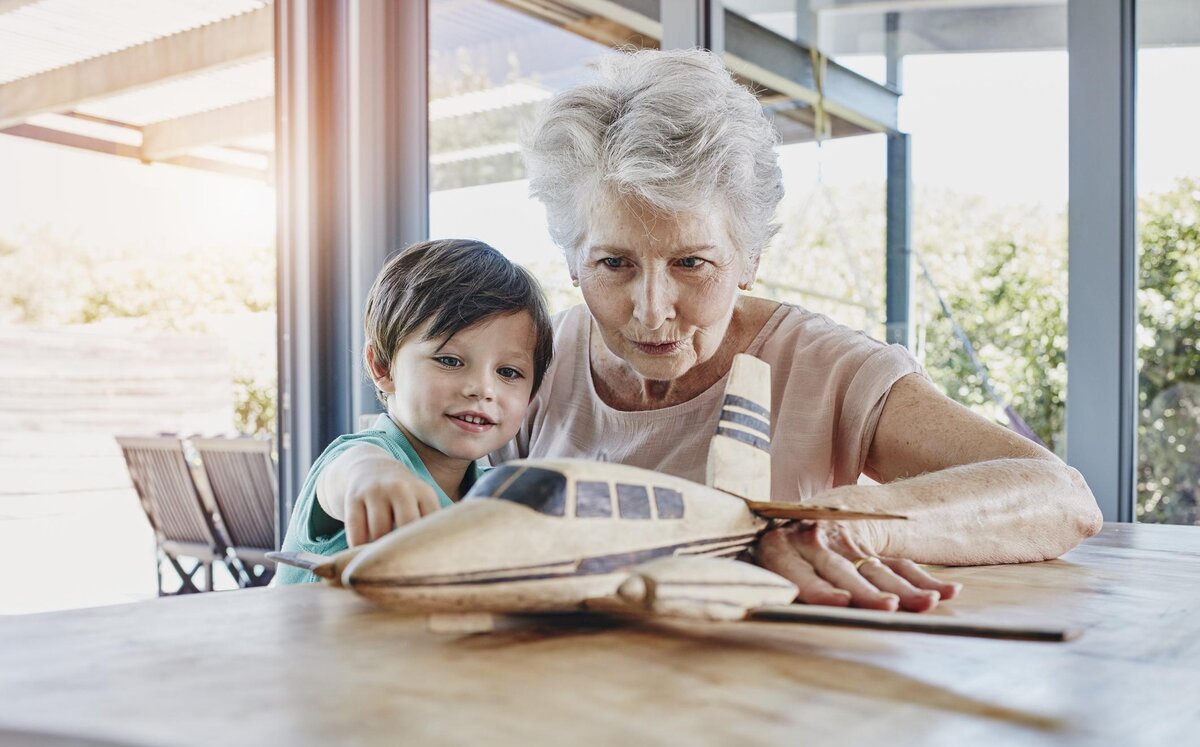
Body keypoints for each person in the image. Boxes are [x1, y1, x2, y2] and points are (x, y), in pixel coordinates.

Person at [492, 48, 1103, 612]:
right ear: (572, 261)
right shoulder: (533, 356)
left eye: (692, 264)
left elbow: (1060, 497)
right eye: (614, 263)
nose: (652, 311)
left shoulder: (825, 366)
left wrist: (852, 520)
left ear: (750, 258)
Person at [275, 239, 554, 585]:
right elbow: (345, 473)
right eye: (450, 361)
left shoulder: (491, 495)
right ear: (383, 367)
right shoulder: (367, 456)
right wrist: (370, 475)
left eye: (508, 372)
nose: (482, 389)